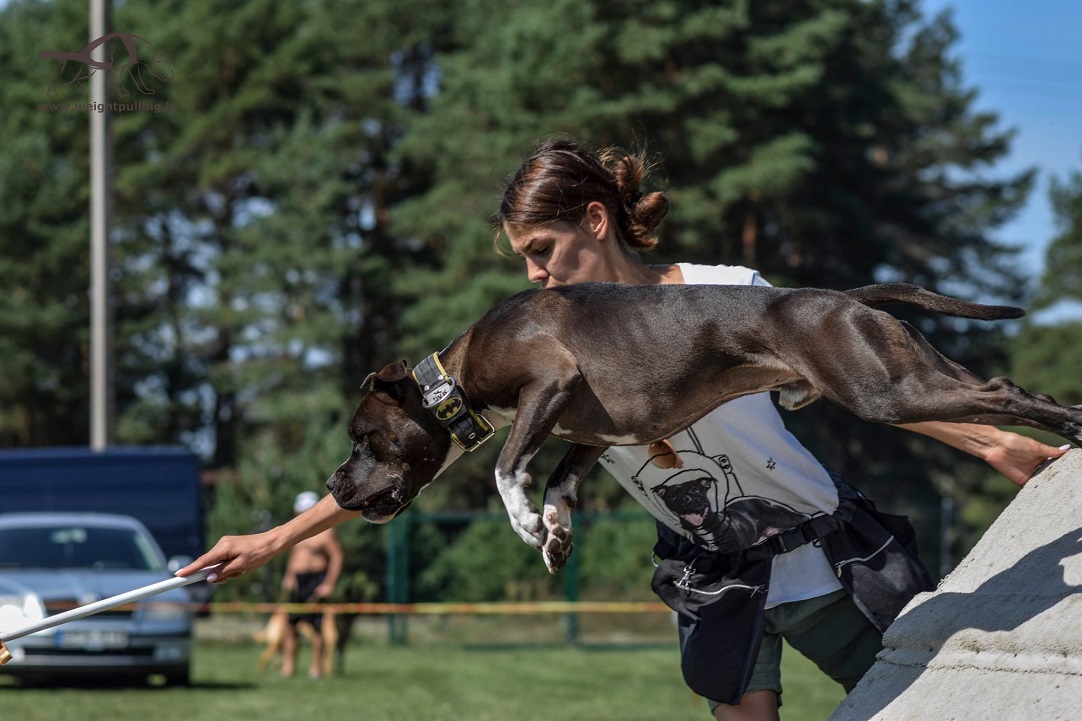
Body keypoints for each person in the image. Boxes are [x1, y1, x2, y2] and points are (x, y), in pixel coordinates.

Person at [179, 137, 1070, 720]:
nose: (533, 274)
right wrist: (273, 535)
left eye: (543, 252)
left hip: (822, 555)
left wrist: (994, 440)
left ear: (595, 223)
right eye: (523, 260)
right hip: (713, 573)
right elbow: (416, 448)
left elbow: (861, 381)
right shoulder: (541, 352)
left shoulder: (724, 290)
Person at [279, 490, 343, 678]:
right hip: (297, 581)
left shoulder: (326, 533)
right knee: (290, 626)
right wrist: (289, 576)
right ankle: (288, 667)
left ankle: (316, 668)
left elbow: (337, 557)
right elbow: (295, 556)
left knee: (316, 627)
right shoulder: (297, 530)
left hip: (316, 579)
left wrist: (329, 583)